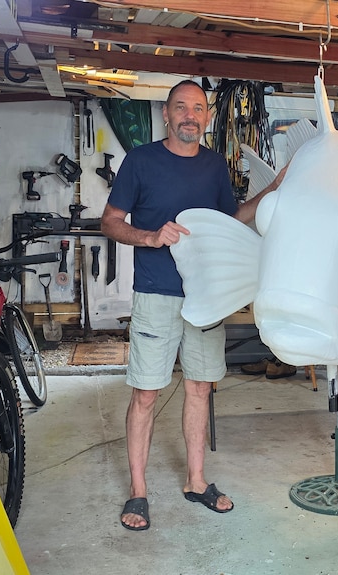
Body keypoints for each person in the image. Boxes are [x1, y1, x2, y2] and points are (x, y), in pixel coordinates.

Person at [101, 79, 286, 532]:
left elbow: (231, 220)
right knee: (146, 392)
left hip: (207, 295)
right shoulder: (140, 161)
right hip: (157, 293)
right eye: (180, 107)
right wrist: (149, 236)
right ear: (166, 114)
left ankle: (196, 480)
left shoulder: (214, 166)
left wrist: (272, 191)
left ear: (206, 117)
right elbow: (109, 222)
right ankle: (139, 491)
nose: (189, 115)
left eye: (198, 108)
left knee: (201, 387)